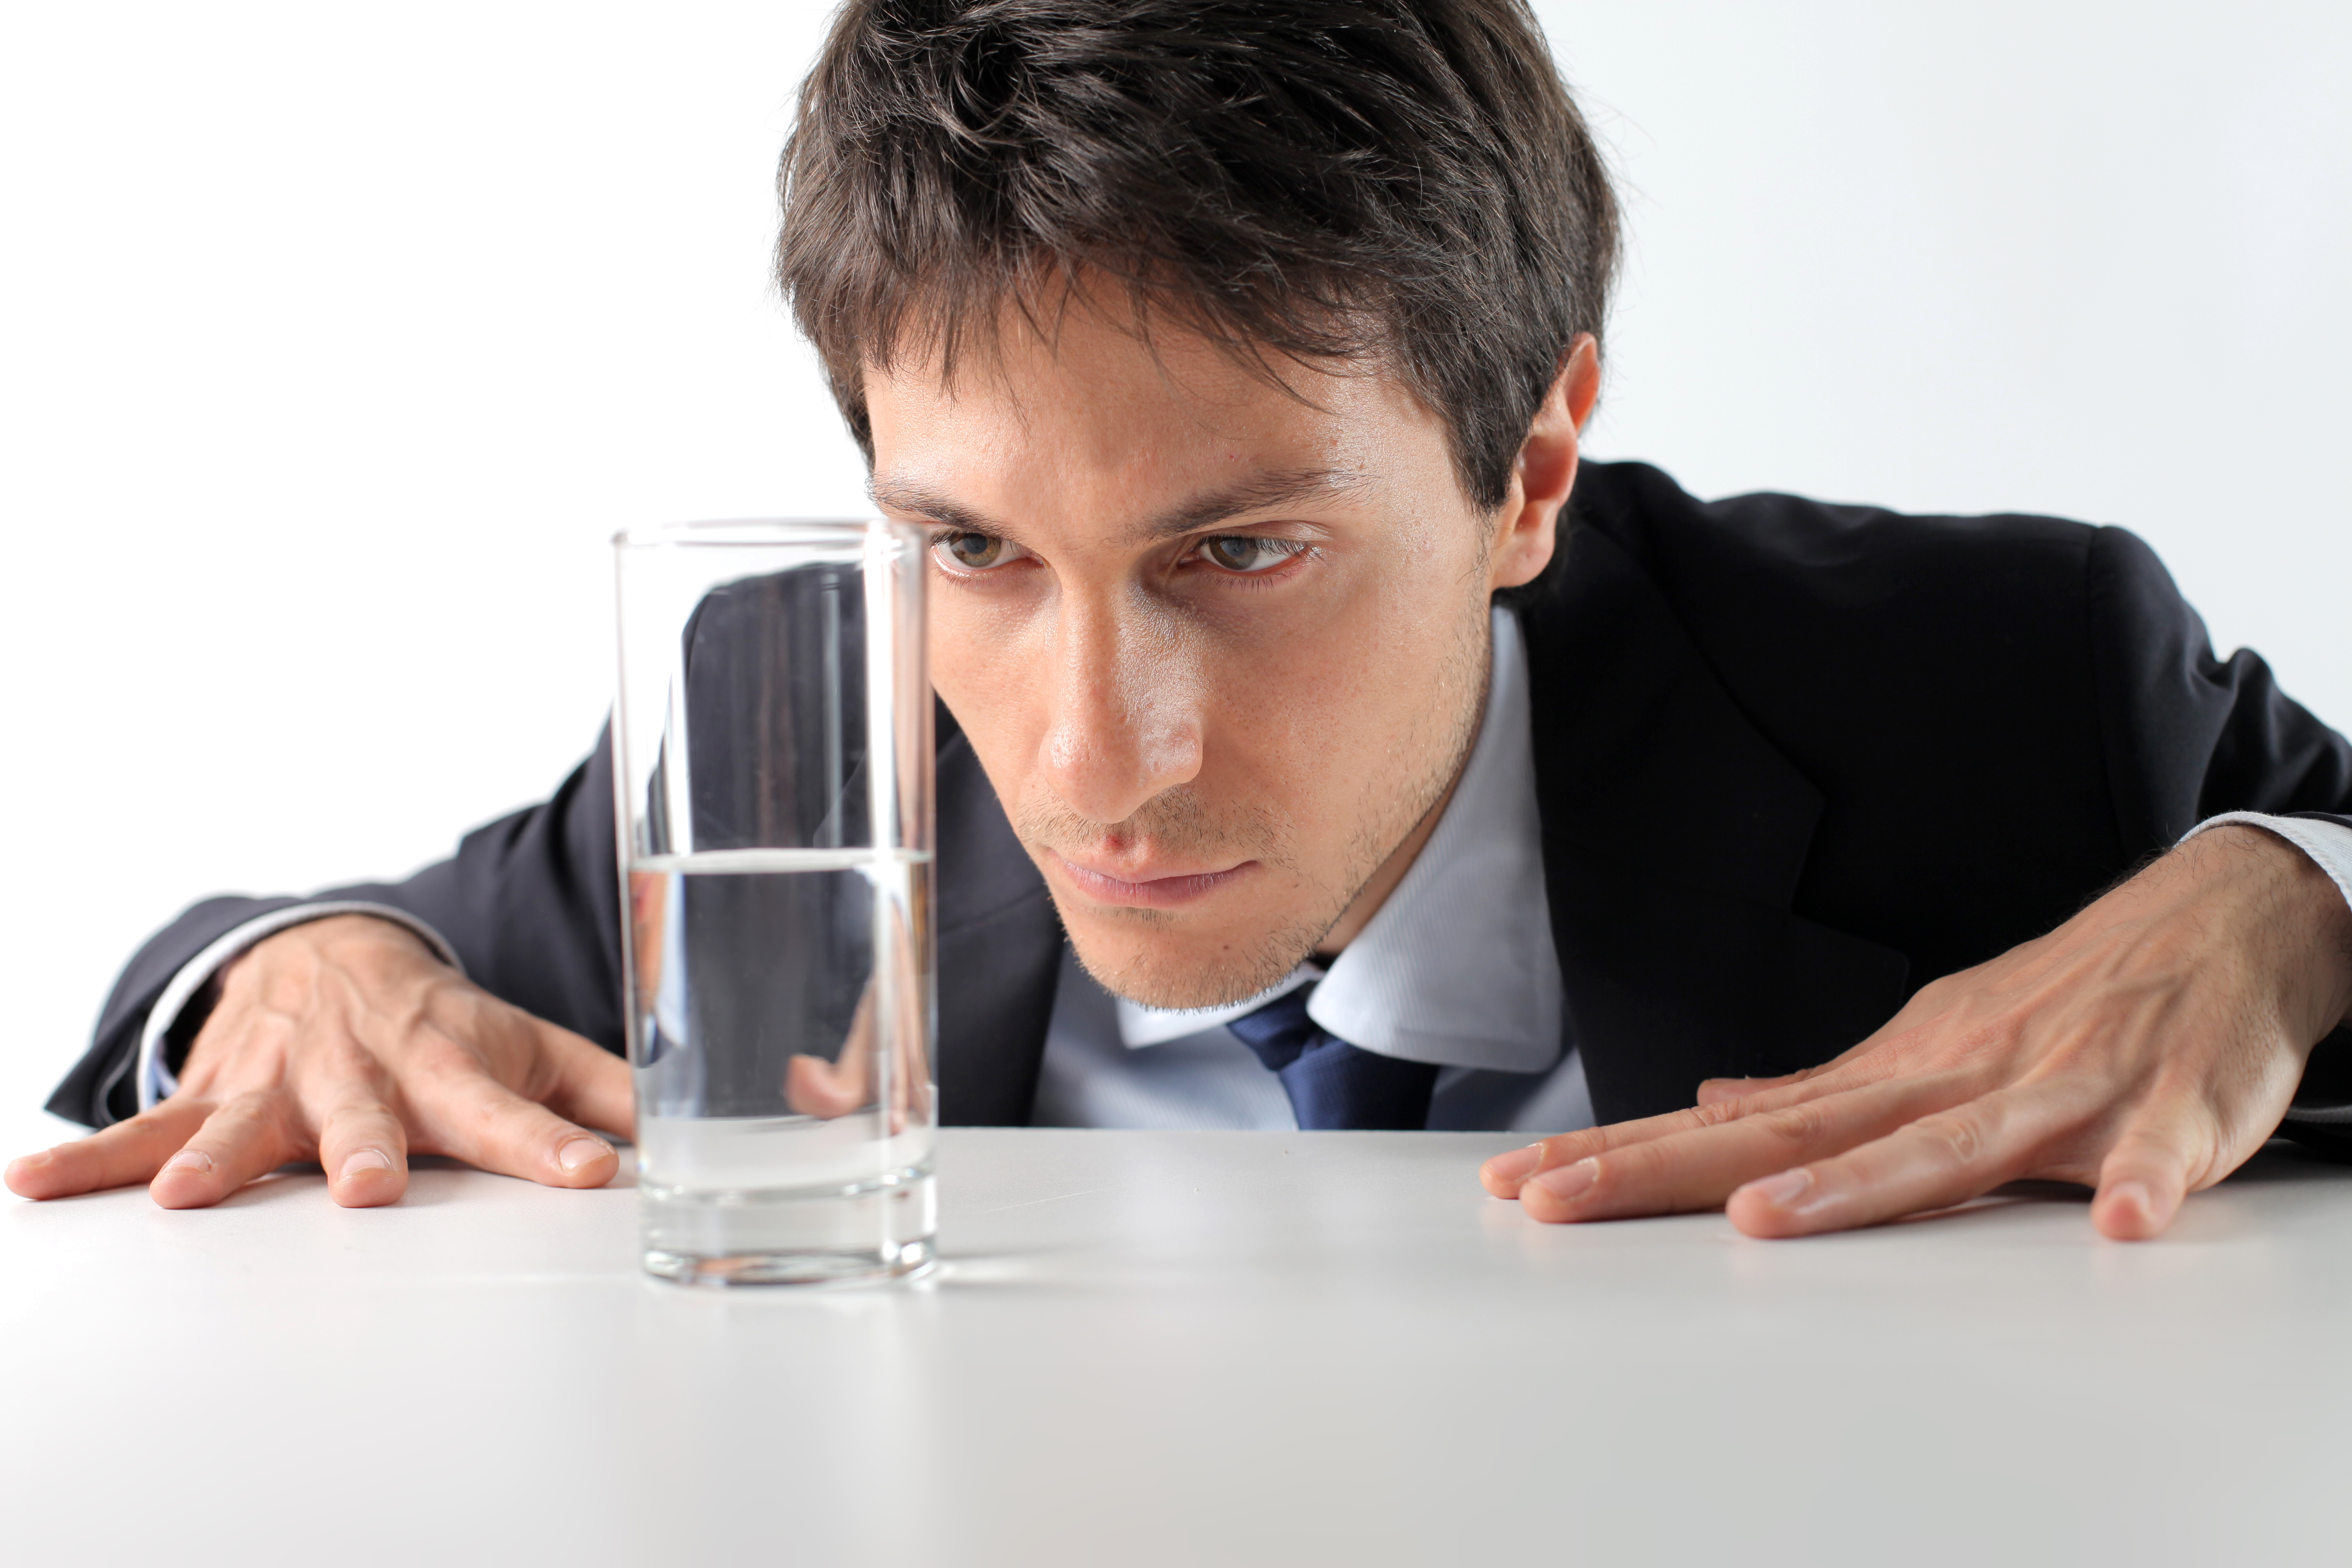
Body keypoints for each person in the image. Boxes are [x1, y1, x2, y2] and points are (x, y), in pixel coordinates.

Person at [13, 0, 2352, 1240]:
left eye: (1240, 553)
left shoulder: (2006, 687)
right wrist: (304, 973)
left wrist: (2296, 903)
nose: (1084, 759)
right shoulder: (799, 710)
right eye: (977, 552)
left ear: (1530, 466)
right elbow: (336, 974)